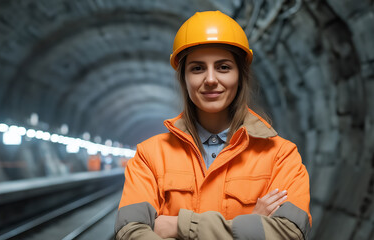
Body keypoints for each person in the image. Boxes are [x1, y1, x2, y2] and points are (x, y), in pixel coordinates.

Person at [115, 11, 311, 239]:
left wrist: (180, 226)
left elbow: (289, 233)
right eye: (197, 68)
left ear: (240, 75)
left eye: (223, 67)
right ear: (184, 78)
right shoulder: (149, 156)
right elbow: (130, 232)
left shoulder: (280, 156)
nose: (210, 79)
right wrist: (248, 226)